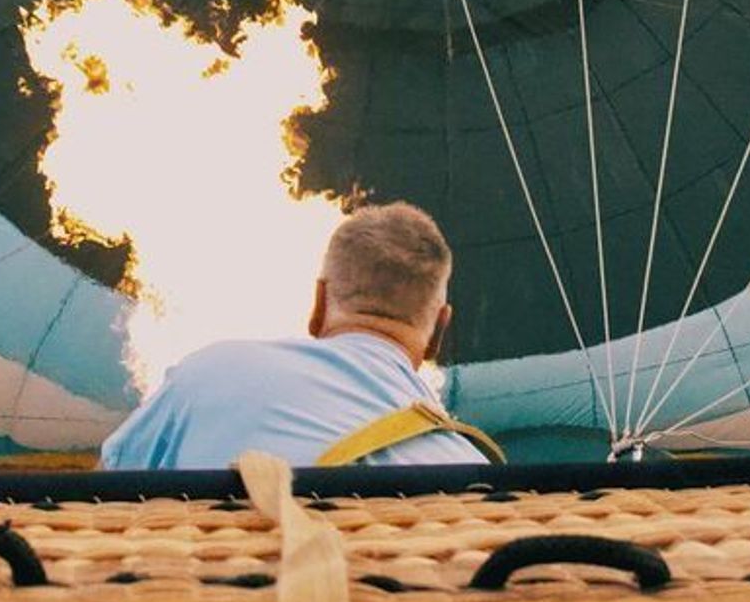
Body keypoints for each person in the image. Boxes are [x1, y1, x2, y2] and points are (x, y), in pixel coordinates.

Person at [100, 199, 502, 469]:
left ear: (318, 302)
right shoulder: (469, 468)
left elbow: (103, 500)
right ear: (439, 333)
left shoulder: (209, 372)